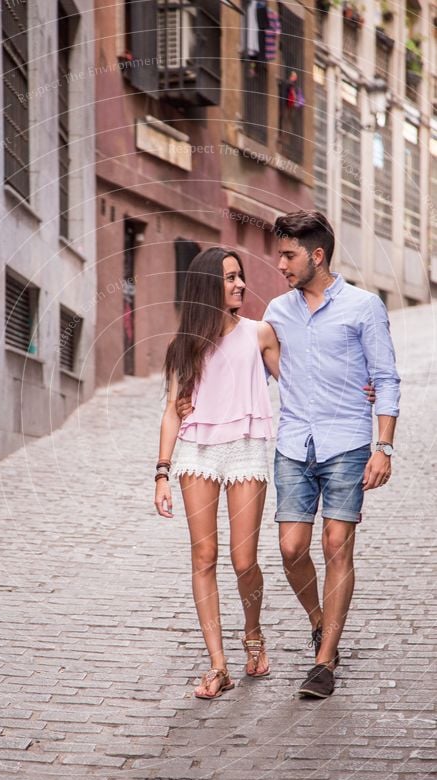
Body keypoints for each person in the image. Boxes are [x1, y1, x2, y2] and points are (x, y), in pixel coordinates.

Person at [263, 210, 400, 698]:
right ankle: (321, 620)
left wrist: (383, 446)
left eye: (288, 254)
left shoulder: (364, 307)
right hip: (294, 443)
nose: (280, 263)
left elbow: (385, 378)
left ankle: (323, 664)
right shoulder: (277, 312)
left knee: (336, 544)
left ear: (316, 255)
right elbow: (257, 367)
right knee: (290, 549)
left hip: (346, 442)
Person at [154, 247, 281, 699]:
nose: (240, 284)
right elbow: (172, 411)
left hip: (246, 449)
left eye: (240, 276)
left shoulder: (259, 333)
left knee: (243, 559)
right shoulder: (184, 345)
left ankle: (253, 634)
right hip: (197, 453)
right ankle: (218, 665)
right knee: (203, 556)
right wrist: (162, 472)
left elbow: (300, 382)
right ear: (208, 285)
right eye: (229, 278)